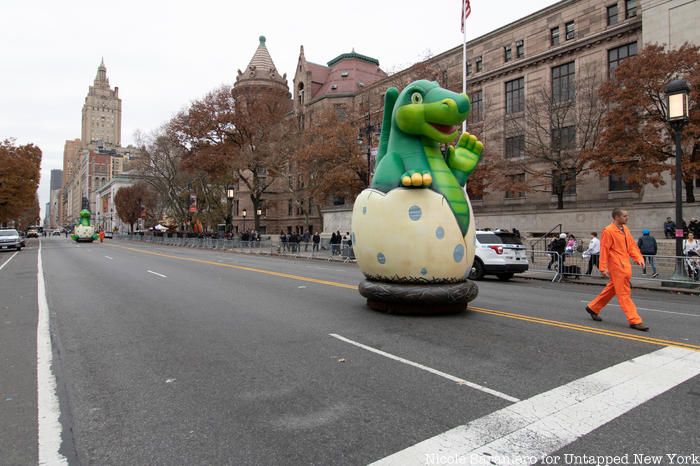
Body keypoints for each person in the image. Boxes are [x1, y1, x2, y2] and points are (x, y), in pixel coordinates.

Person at [585, 208, 648, 331]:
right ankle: (635, 320)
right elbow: (604, 249)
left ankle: (593, 307)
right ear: (616, 217)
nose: (627, 217)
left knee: (613, 288)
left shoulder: (625, 229)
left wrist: (639, 258)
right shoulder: (608, 231)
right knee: (624, 293)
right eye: (624, 216)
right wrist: (603, 267)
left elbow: (631, 246)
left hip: (624, 265)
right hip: (617, 266)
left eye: (627, 215)